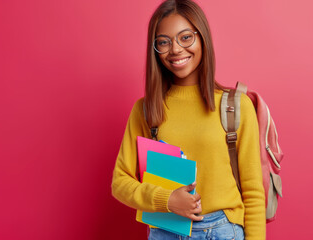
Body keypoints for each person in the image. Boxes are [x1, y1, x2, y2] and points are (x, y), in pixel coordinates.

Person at [111, 0, 266, 239]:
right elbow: (120, 183)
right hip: (165, 230)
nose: (175, 49)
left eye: (185, 37)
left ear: (202, 37)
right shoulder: (146, 110)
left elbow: (254, 194)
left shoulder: (235, 106)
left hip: (223, 231)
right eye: (163, 42)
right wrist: (168, 200)